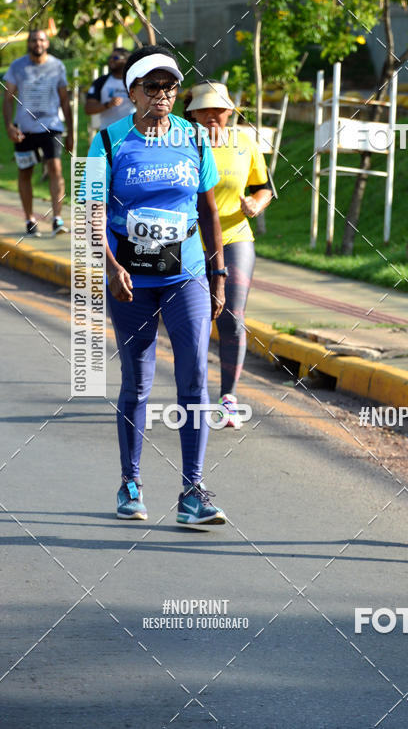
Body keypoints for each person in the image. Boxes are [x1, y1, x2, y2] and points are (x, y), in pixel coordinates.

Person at [86, 46, 228, 526]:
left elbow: (208, 210)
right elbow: (91, 214)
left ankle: (193, 491)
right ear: (132, 93)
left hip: (186, 273)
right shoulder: (107, 142)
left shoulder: (195, 137)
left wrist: (218, 274)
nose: (163, 95)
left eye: (170, 86)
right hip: (131, 278)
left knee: (195, 378)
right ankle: (131, 483)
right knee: (138, 381)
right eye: (152, 87)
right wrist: (110, 266)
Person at [186, 82, 273, 429]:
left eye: (219, 110)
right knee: (192, 320)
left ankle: (228, 400)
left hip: (235, 237)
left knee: (232, 317)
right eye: (204, 109)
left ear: (230, 113)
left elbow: (264, 188)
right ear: (192, 112)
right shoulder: (179, 142)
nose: (212, 116)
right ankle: (193, 395)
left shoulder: (245, 142)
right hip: (190, 241)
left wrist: (255, 203)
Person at [3, 28, 73, 236]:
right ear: (29, 43)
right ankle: (29, 219)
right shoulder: (17, 66)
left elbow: (64, 100)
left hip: (51, 126)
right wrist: (9, 126)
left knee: (55, 168)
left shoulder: (57, 66)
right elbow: (7, 99)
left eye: (41, 40)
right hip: (24, 129)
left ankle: (57, 219)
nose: (38, 44)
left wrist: (70, 131)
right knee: (25, 172)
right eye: (34, 40)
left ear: (47, 43)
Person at [85, 47, 135, 131]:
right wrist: (107, 105)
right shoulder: (101, 82)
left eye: (115, 58)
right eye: (110, 57)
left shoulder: (134, 81)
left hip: (132, 131)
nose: (111, 60)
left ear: (126, 60)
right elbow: (88, 109)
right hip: (108, 132)